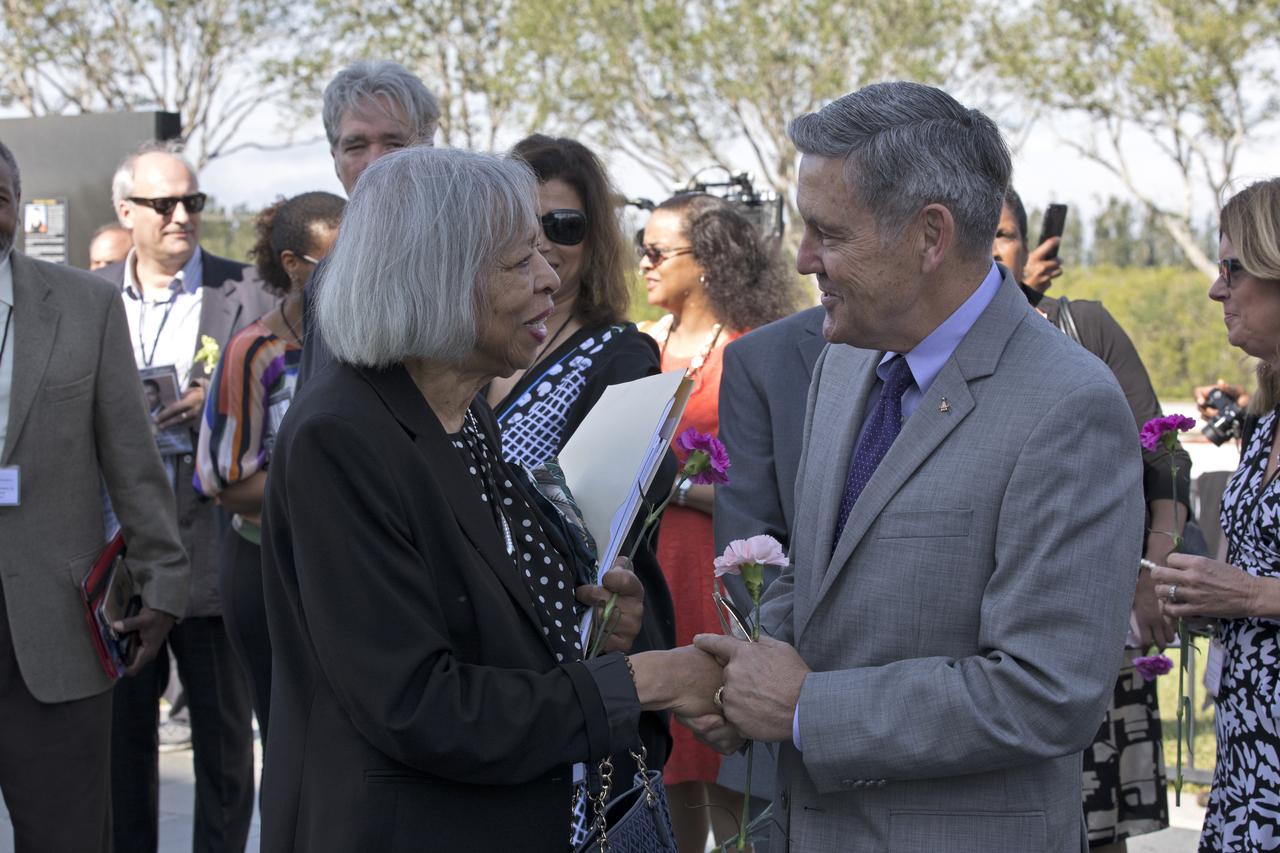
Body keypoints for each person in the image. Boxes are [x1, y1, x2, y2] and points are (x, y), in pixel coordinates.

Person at [684, 82, 1145, 852]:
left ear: (929, 236)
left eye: (828, 233)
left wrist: (805, 708)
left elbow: (1046, 691)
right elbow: (830, 595)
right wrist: (740, 682)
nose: (803, 259)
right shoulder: (847, 360)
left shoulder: (1068, 405)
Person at [259, 145, 724, 852]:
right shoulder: (341, 438)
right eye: (518, 262)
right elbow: (421, 702)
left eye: (546, 251)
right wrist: (645, 679)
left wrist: (596, 620)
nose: (549, 278)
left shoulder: (459, 412)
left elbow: (491, 618)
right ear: (433, 278)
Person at [0, 140, 188, 852]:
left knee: (69, 835)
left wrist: (163, 581)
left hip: (56, 630)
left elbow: (132, 460)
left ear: (18, 206)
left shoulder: (85, 307)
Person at [996, 186, 1188, 849]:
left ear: (1030, 246)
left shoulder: (1084, 326)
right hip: (993, 644)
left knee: (1098, 827)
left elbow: (1164, 453)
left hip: (1099, 627)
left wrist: (1149, 566)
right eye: (981, 234)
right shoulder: (927, 351)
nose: (994, 251)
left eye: (1005, 235)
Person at [98, 141, 274, 853]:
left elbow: (294, 401)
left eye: (193, 203)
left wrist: (222, 400)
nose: (181, 216)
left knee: (227, 755)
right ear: (126, 211)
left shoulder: (251, 292)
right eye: (164, 204)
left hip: (217, 554)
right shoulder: (89, 294)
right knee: (123, 751)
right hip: (117, 563)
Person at [493, 134, 679, 778]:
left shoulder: (621, 354)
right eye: (523, 222)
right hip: (487, 657)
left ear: (594, 238)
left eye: (563, 225)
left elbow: (624, 500)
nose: (543, 241)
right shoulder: (466, 353)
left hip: (589, 640)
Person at [639, 192, 797, 851]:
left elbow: (763, 487)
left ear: (706, 261)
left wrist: (668, 484)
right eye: (638, 250)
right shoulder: (641, 346)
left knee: (732, 769)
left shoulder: (748, 351)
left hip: (719, 574)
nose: (642, 264)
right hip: (655, 578)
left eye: (656, 251)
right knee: (666, 770)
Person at [1151, 177, 1280, 852]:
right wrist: (1205, 598)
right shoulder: (1263, 422)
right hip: (1248, 768)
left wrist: (1253, 594)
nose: (1216, 289)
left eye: (1232, 268)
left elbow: (1260, 588)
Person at [194, 191, 344, 739]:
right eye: (336, 260)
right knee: (286, 736)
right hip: (265, 566)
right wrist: (329, 489)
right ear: (292, 266)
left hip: (339, 567)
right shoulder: (254, 352)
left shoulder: (366, 344)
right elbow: (227, 484)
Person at [711, 303, 825, 849]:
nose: (807, 257)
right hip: (785, 719)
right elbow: (750, 546)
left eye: (833, 234)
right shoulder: (761, 358)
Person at [296, 60, 440, 388]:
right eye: (356, 146)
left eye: (394, 144)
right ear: (335, 159)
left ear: (429, 149)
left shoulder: (471, 259)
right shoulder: (326, 274)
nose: (376, 163)